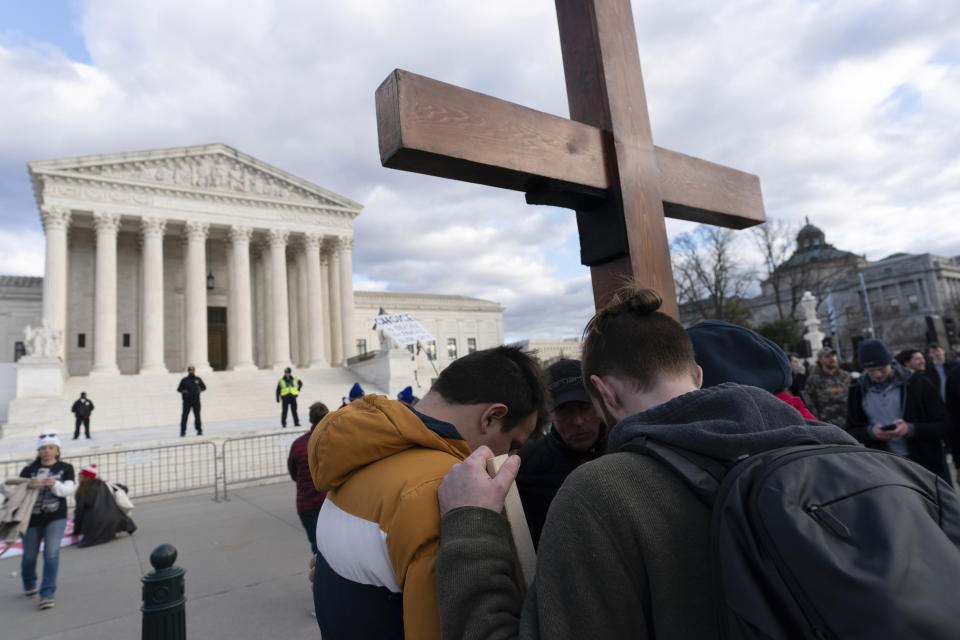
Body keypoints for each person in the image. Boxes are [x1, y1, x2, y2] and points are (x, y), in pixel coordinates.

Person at [433, 287, 856, 639]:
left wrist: (469, 523)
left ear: (605, 392)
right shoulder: (841, 452)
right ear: (697, 375)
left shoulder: (602, 492)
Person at [308, 346, 549, 640]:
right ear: (491, 418)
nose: (509, 459)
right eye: (513, 444)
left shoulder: (353, 458)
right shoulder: (446, 492)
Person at [515, 358, 605, 548]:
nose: (578, 421)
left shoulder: (627, 450)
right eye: (564, 411)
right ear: (549, 415)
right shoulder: (523, 466)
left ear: (599, 404)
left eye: (585, 407)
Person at [847, 338, 951, 482]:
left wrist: (910, 429)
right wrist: (871, 433)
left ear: (890, 363)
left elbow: (943, 424)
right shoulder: (857, 389)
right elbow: (851, 430)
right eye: (871, 371)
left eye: (882, 369)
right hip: (885, 467)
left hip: (926, 466)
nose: (878, 375)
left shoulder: (917, 382)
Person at [19, 429, 76, 610]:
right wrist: (28, 485)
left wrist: (55, 485)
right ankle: (29, 583)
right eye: (43, 448)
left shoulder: (65, 468)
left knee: (51, 554)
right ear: (39, 451)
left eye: (51, 448)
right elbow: (14, 490)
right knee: (29, 556)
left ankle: (47, 593)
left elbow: (69, 490)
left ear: (57, 450)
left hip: (56, 517)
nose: (47, 451)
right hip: (31, 518)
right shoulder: (29, 469)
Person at [288, 402, 329, 555]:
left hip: (306, 505)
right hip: (328, 503)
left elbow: (294, 474)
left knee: (317, 549)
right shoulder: (333, 441)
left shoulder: (298, 444)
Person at [73, 464, 136, 548]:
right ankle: (115, 531)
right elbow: (124, 488)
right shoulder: (105, 484)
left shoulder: (82, 491)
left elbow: (79, 512)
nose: (78, 479)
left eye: (80, 477)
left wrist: (76, 530)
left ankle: (107, 533)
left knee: (90, 518)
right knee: (115, 514)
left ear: (85, 477)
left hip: (96, 523)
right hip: (115, 519)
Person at [804, 346, 852, 427]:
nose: (832, 358)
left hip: (848, 422)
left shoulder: (846, 376)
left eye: (833, 355)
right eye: (827, 356)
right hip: (826, 424)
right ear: (820, 360)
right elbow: (809, 403)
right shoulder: (814, 379)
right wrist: (817, 422)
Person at [177, 365, 206, 436]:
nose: (191, 371)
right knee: (184, 416)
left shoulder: (198, 379)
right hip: (187, 401)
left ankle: (199, 430)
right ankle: (183, 431)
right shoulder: (184, 380)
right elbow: (179, 389)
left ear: (194, 371)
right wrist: (184, 391)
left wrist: (200, 390)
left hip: (196, 400)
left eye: (193, 370)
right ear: (188, 371)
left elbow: (204, 387)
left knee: (197, 416)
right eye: (190, 370)